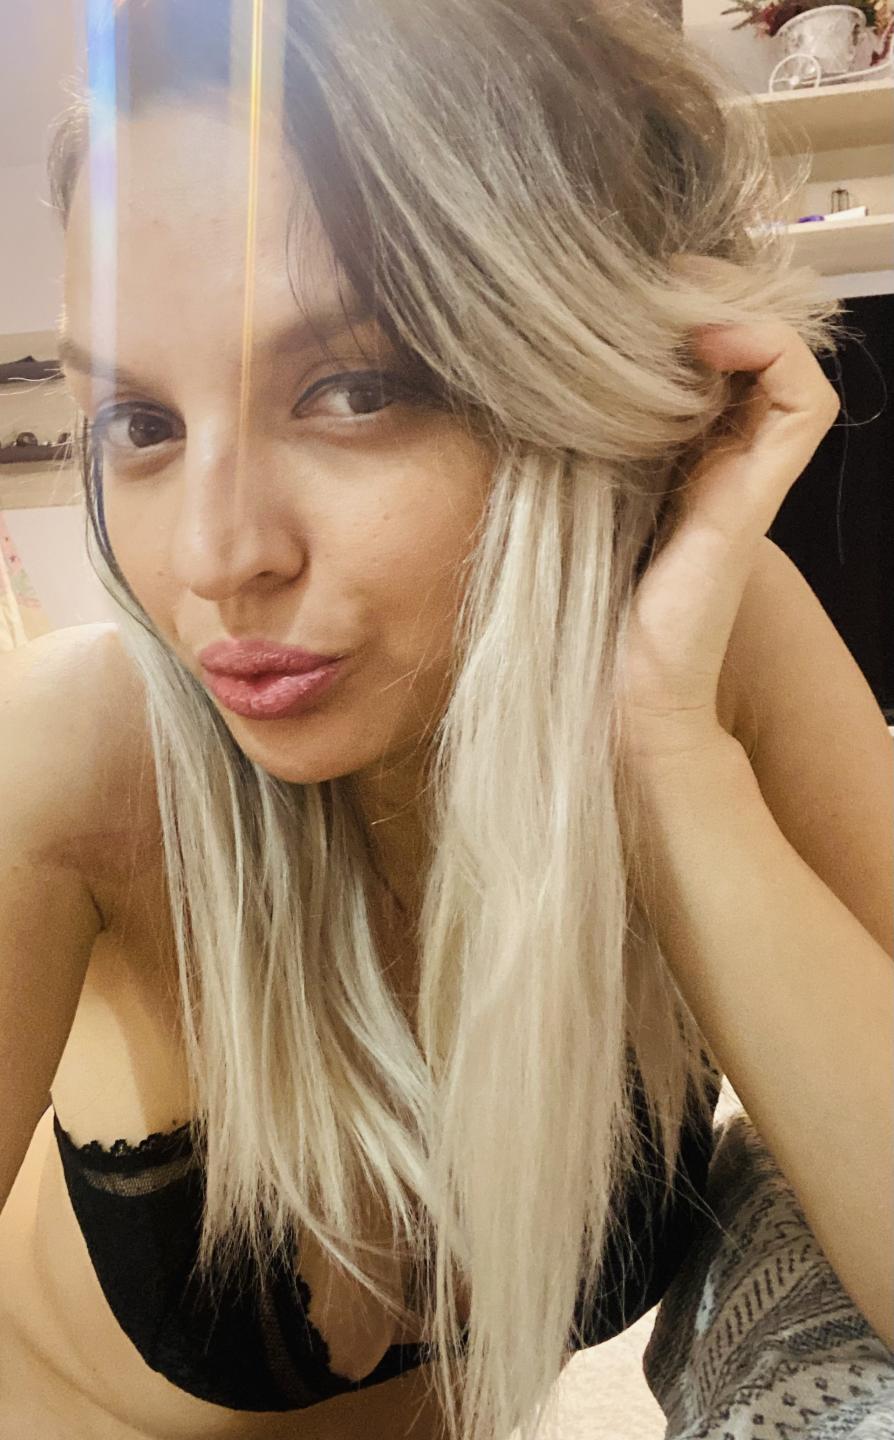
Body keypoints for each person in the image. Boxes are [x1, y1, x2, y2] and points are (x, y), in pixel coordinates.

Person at [0, 1, 854, 1438]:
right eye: (140, 423)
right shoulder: (77, 757)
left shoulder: (718, 650)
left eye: (353, 389)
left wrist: (665, 757)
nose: (214, 558)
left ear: (578, 379)